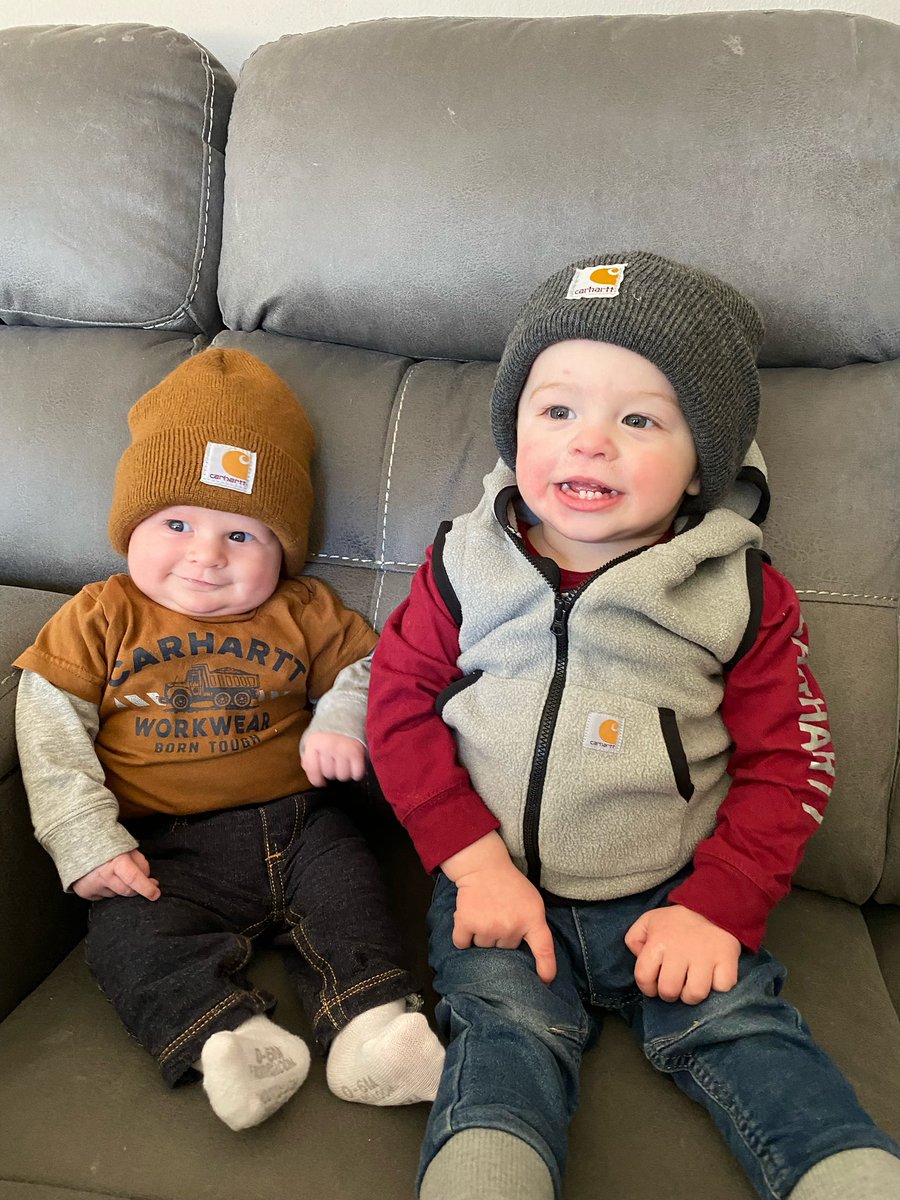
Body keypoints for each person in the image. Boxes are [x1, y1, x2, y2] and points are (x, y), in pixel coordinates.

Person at [366, 253, 900, 1200]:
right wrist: (473, 863)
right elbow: (397, 705)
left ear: (704, 464)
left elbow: (793, 764)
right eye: (556, 409)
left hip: (675, 894)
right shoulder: (462, 562)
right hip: (500, 886)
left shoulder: (738, 592)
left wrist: (719, 906)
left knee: (747, 1035)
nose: (589, 443)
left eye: (640, 420)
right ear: (514, 427)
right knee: (501, 1039)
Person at [14, 348, 443, 1132]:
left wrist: (339, 720)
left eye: (242, 535)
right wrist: (83, 838)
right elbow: (50, 726)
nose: (206, 556)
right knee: (126, 937)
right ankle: (232, 1037)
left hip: (303, 825)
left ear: (284, 548)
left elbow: (373, 670)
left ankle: (371, 1029)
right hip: (162, 848)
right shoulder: (100, 615)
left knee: (354, 900)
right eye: (176, 524)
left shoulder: (304, 608)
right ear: (131, 526)